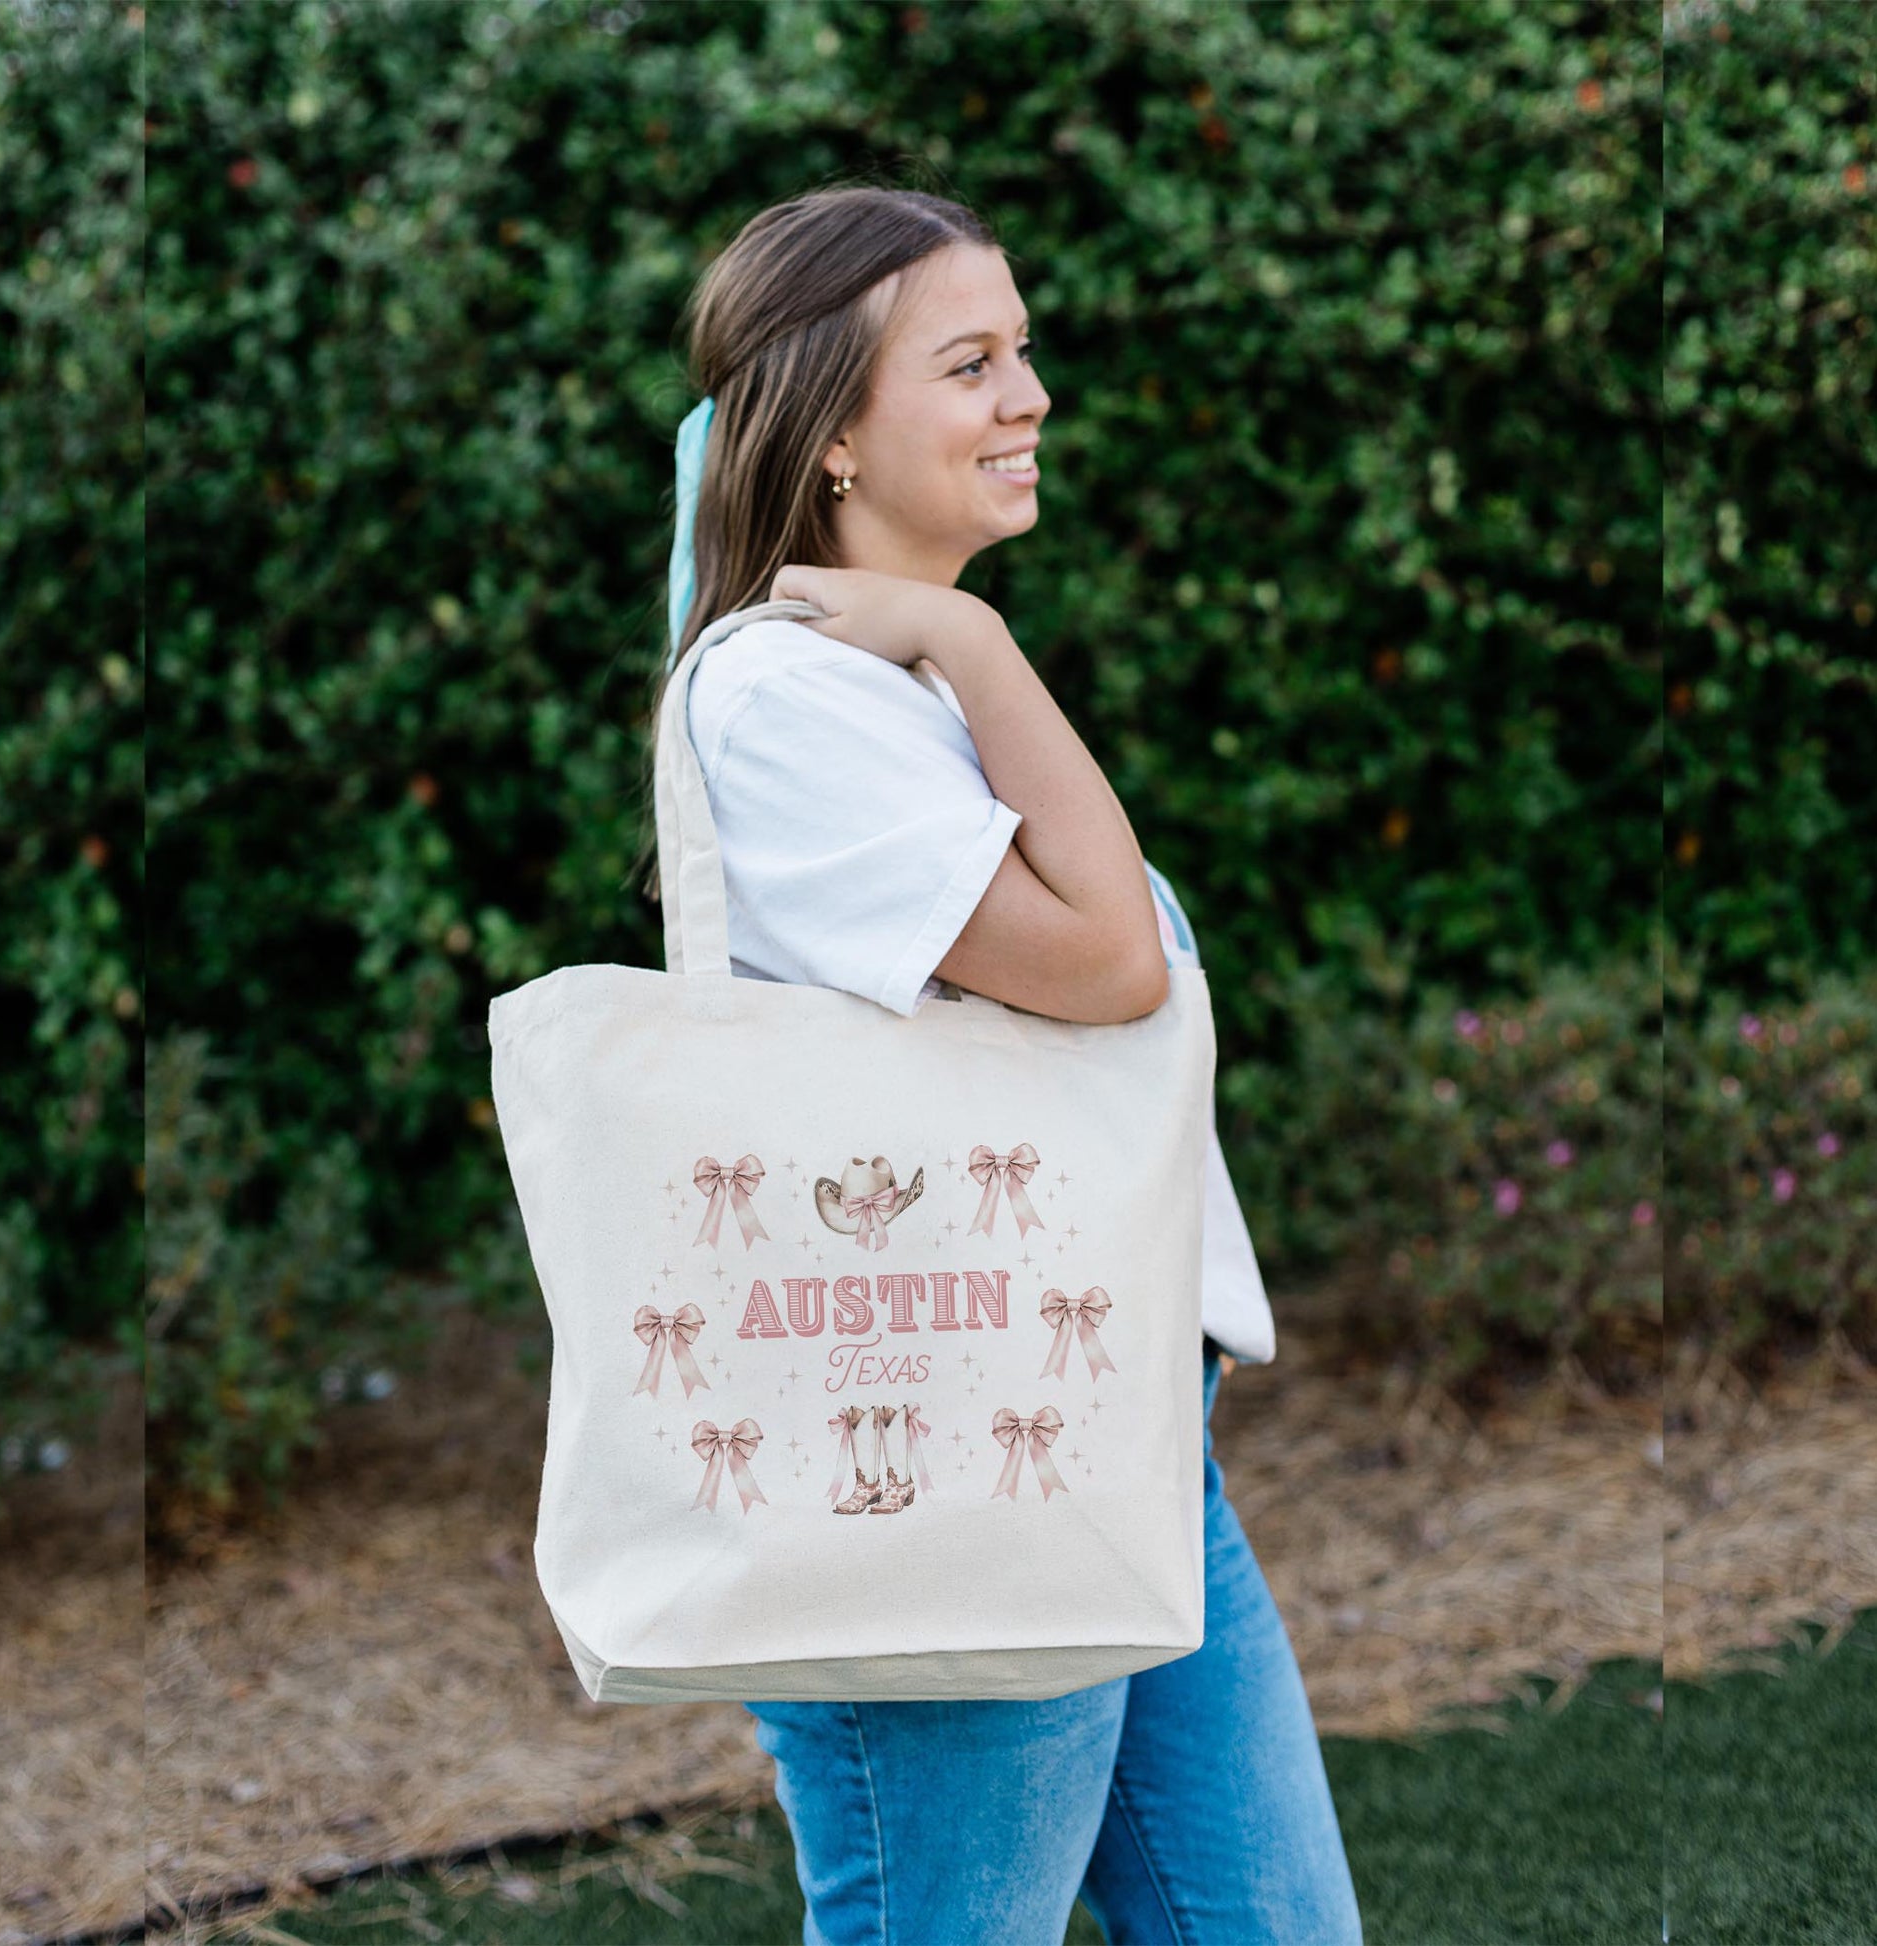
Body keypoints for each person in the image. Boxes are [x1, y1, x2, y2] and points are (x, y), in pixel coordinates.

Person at [633, 182, 1363, 1946]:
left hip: (1101, 1432)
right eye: (970, 363)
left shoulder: (893, 689)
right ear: (825, 438)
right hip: (940, 1458)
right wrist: (970, 632)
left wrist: (952, 653)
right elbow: (1110, 964)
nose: (1029, 394)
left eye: (1020, 350)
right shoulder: (790, 702)